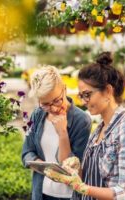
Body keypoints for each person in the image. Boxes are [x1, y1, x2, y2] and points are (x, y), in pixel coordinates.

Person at [45, 52, 125, 200]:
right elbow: (89, 177)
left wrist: (82, 187)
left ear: (107, 91)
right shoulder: (100, 129)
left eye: (87, 94)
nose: (83, 101)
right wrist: (75, 169)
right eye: (81, 96)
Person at [22, 66, 92, 200]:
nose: (53, 108)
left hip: (68, 195)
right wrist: (43, 167)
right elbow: (27, 152)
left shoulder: (82, 121)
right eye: (45, 104)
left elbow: (74, 168)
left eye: (56, 100)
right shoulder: (37, 115)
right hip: (41, 193)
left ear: (64, 89)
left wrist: (62, 133)